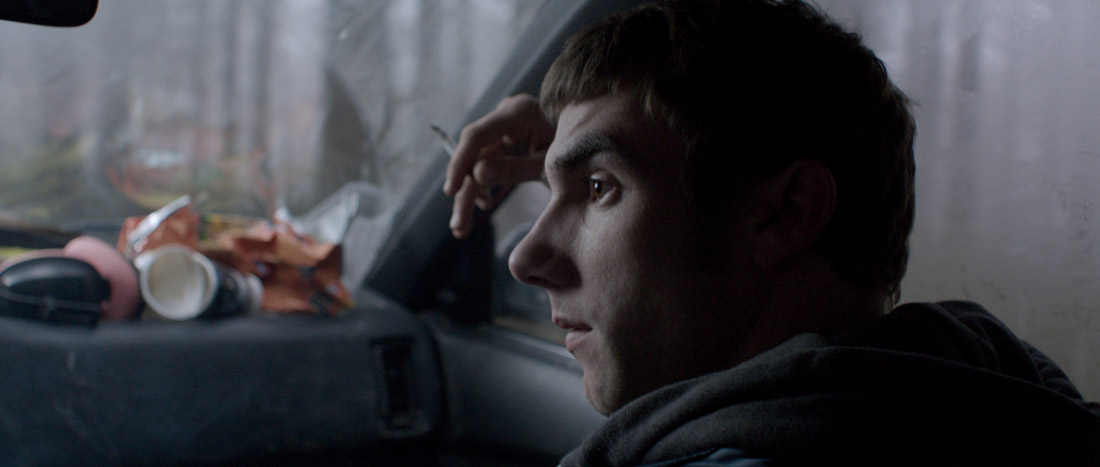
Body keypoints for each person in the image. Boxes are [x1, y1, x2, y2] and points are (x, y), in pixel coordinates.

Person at [443, 0, 1100, 465]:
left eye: (598, 190)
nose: (526, 257)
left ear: (786, 213)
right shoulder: (1002, 402)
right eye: (553, 194)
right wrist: (584, 152)